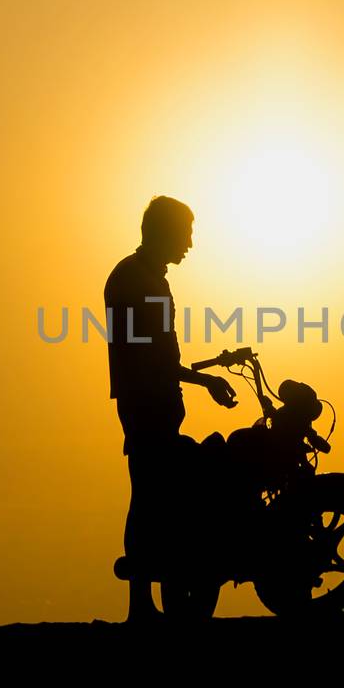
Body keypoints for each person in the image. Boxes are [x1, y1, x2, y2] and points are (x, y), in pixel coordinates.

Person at [105, 196, 237, 622]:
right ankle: (141, 604)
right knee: (149, 495)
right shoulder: (135, 280)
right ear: (163, 233)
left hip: (155, 401)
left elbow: (158, 352)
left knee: (157, 497)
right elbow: (148, 356)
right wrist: (205, 381)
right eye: (185, 234)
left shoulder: (145, 277)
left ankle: (146, 602)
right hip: (146, 404)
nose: (190, 244)